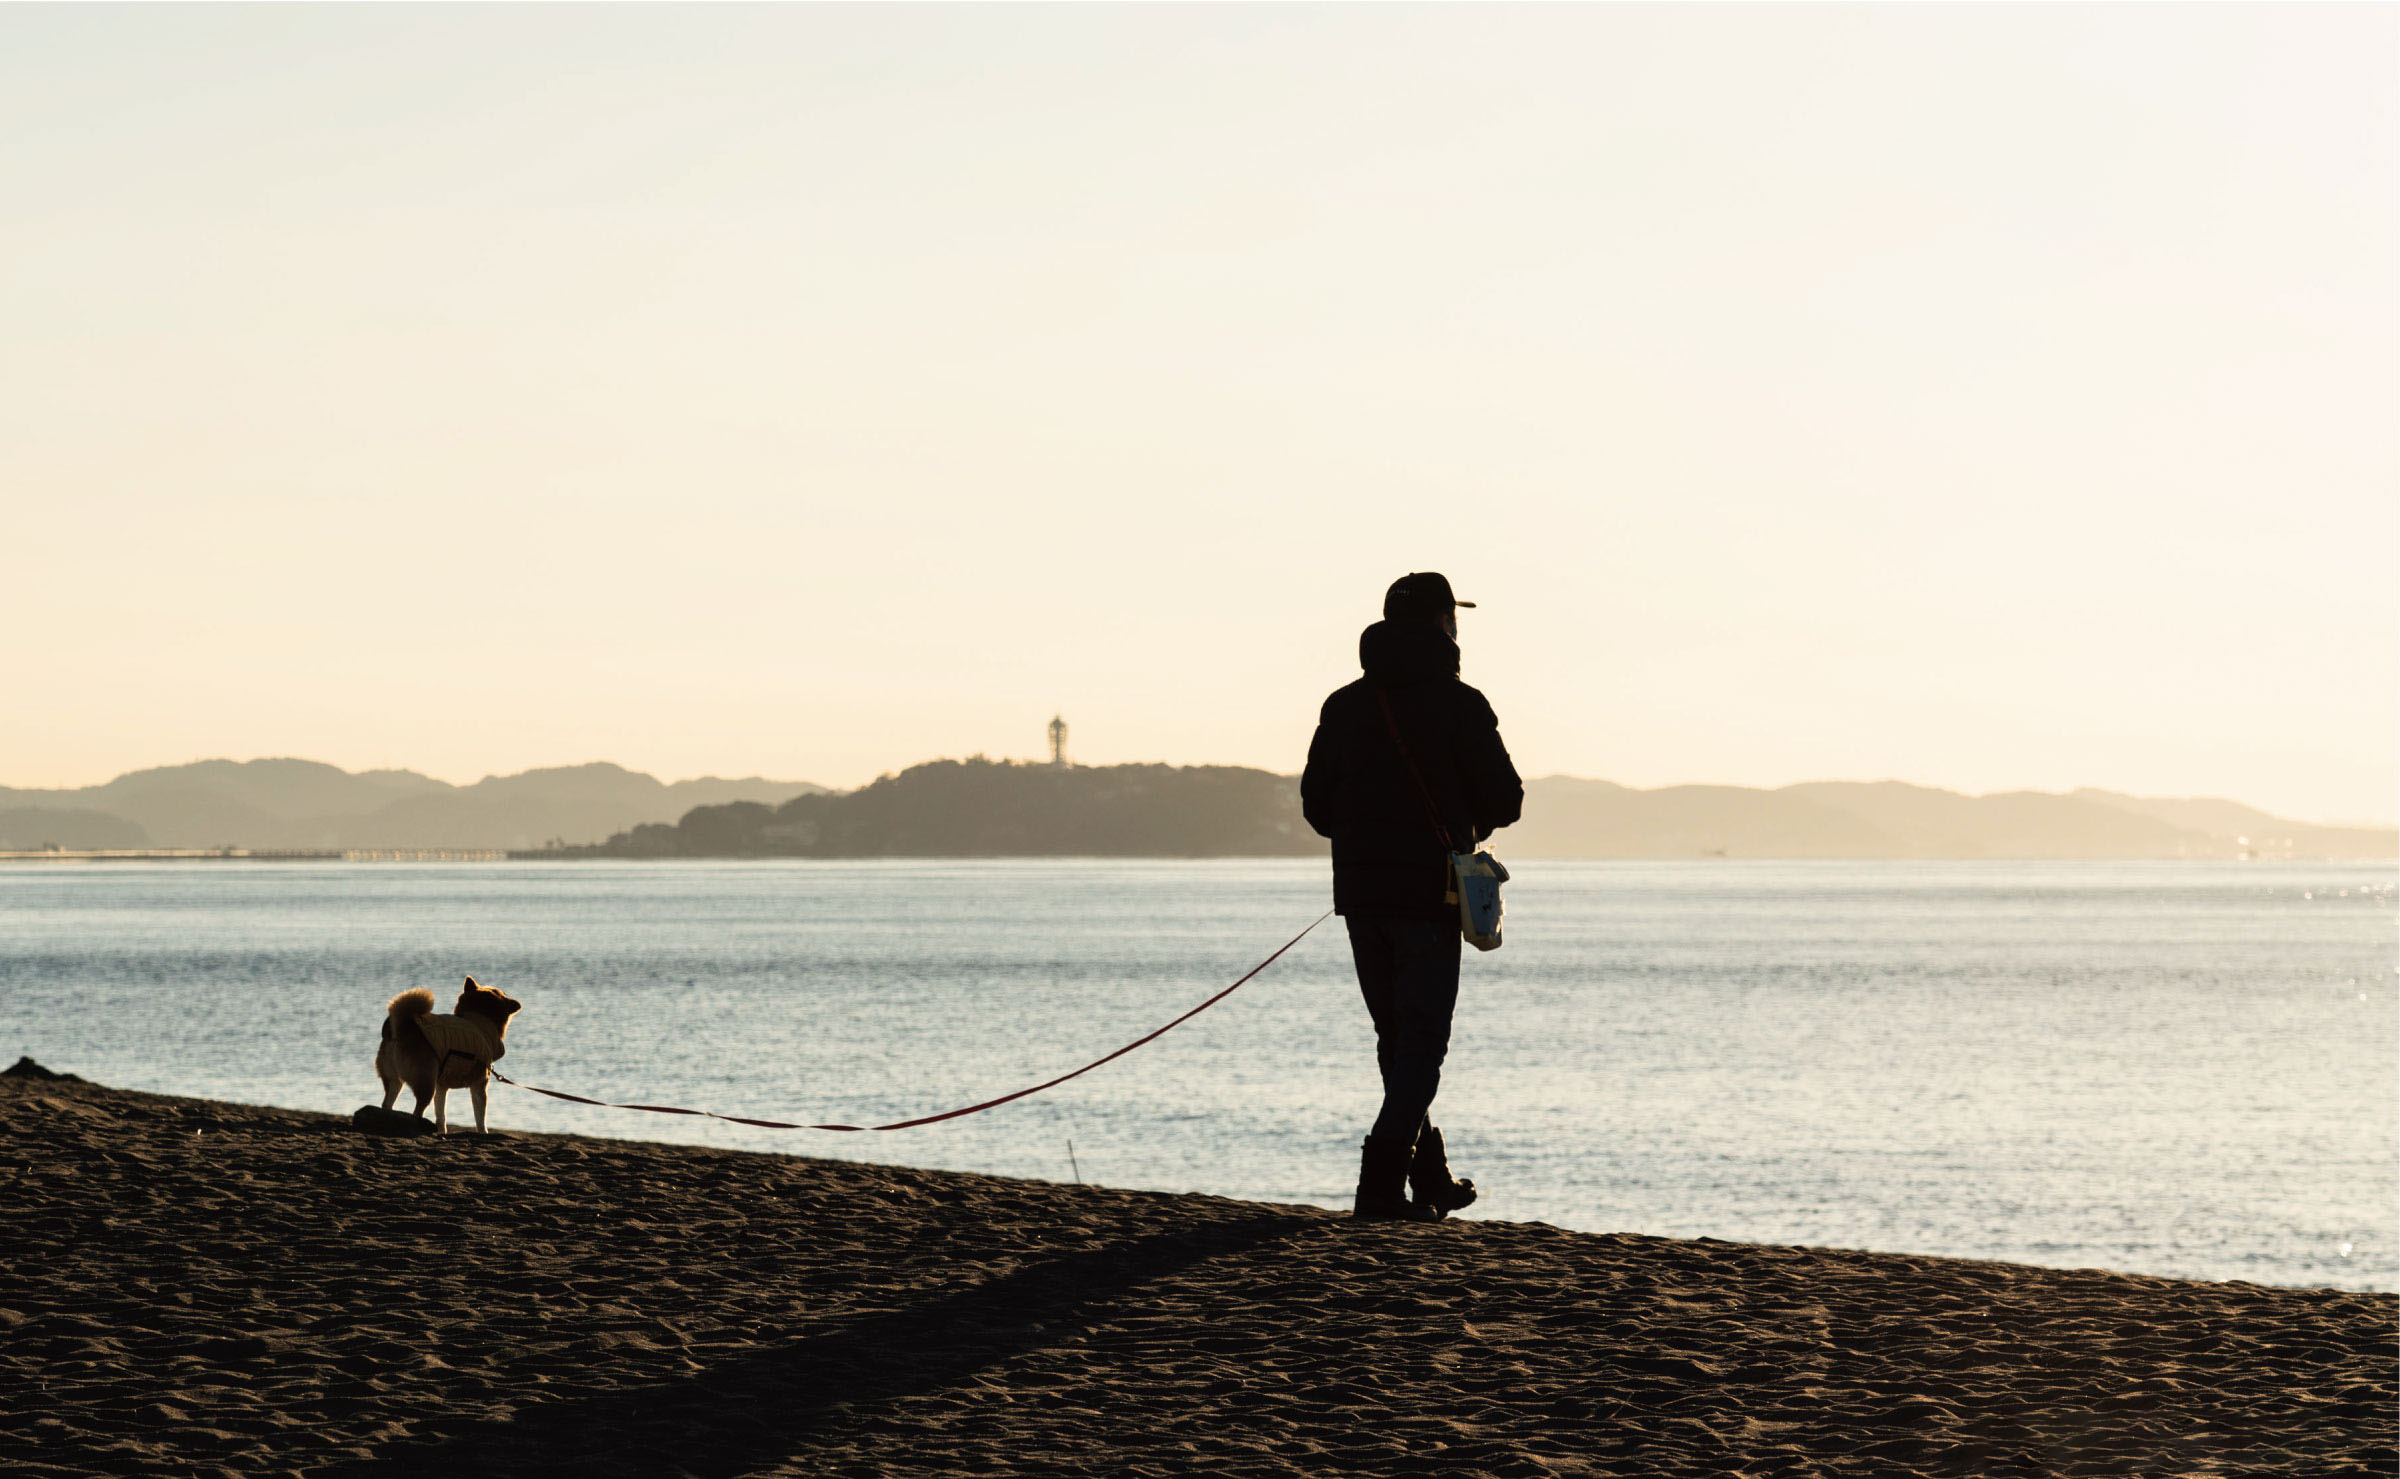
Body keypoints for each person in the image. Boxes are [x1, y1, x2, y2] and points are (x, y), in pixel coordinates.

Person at [1300, 572, 1523, 1219]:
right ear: (1442, 625)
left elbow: (1317, 806)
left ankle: (1427, 1174)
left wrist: (1366, 834)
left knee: (1395, 1039)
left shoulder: (1344, 705)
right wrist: (1463, 823)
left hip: (1361, 896)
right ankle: (1378, 1186)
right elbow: (1507, 800)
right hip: (1428, 896)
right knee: (1421, 1044)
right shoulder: (1461, 704)